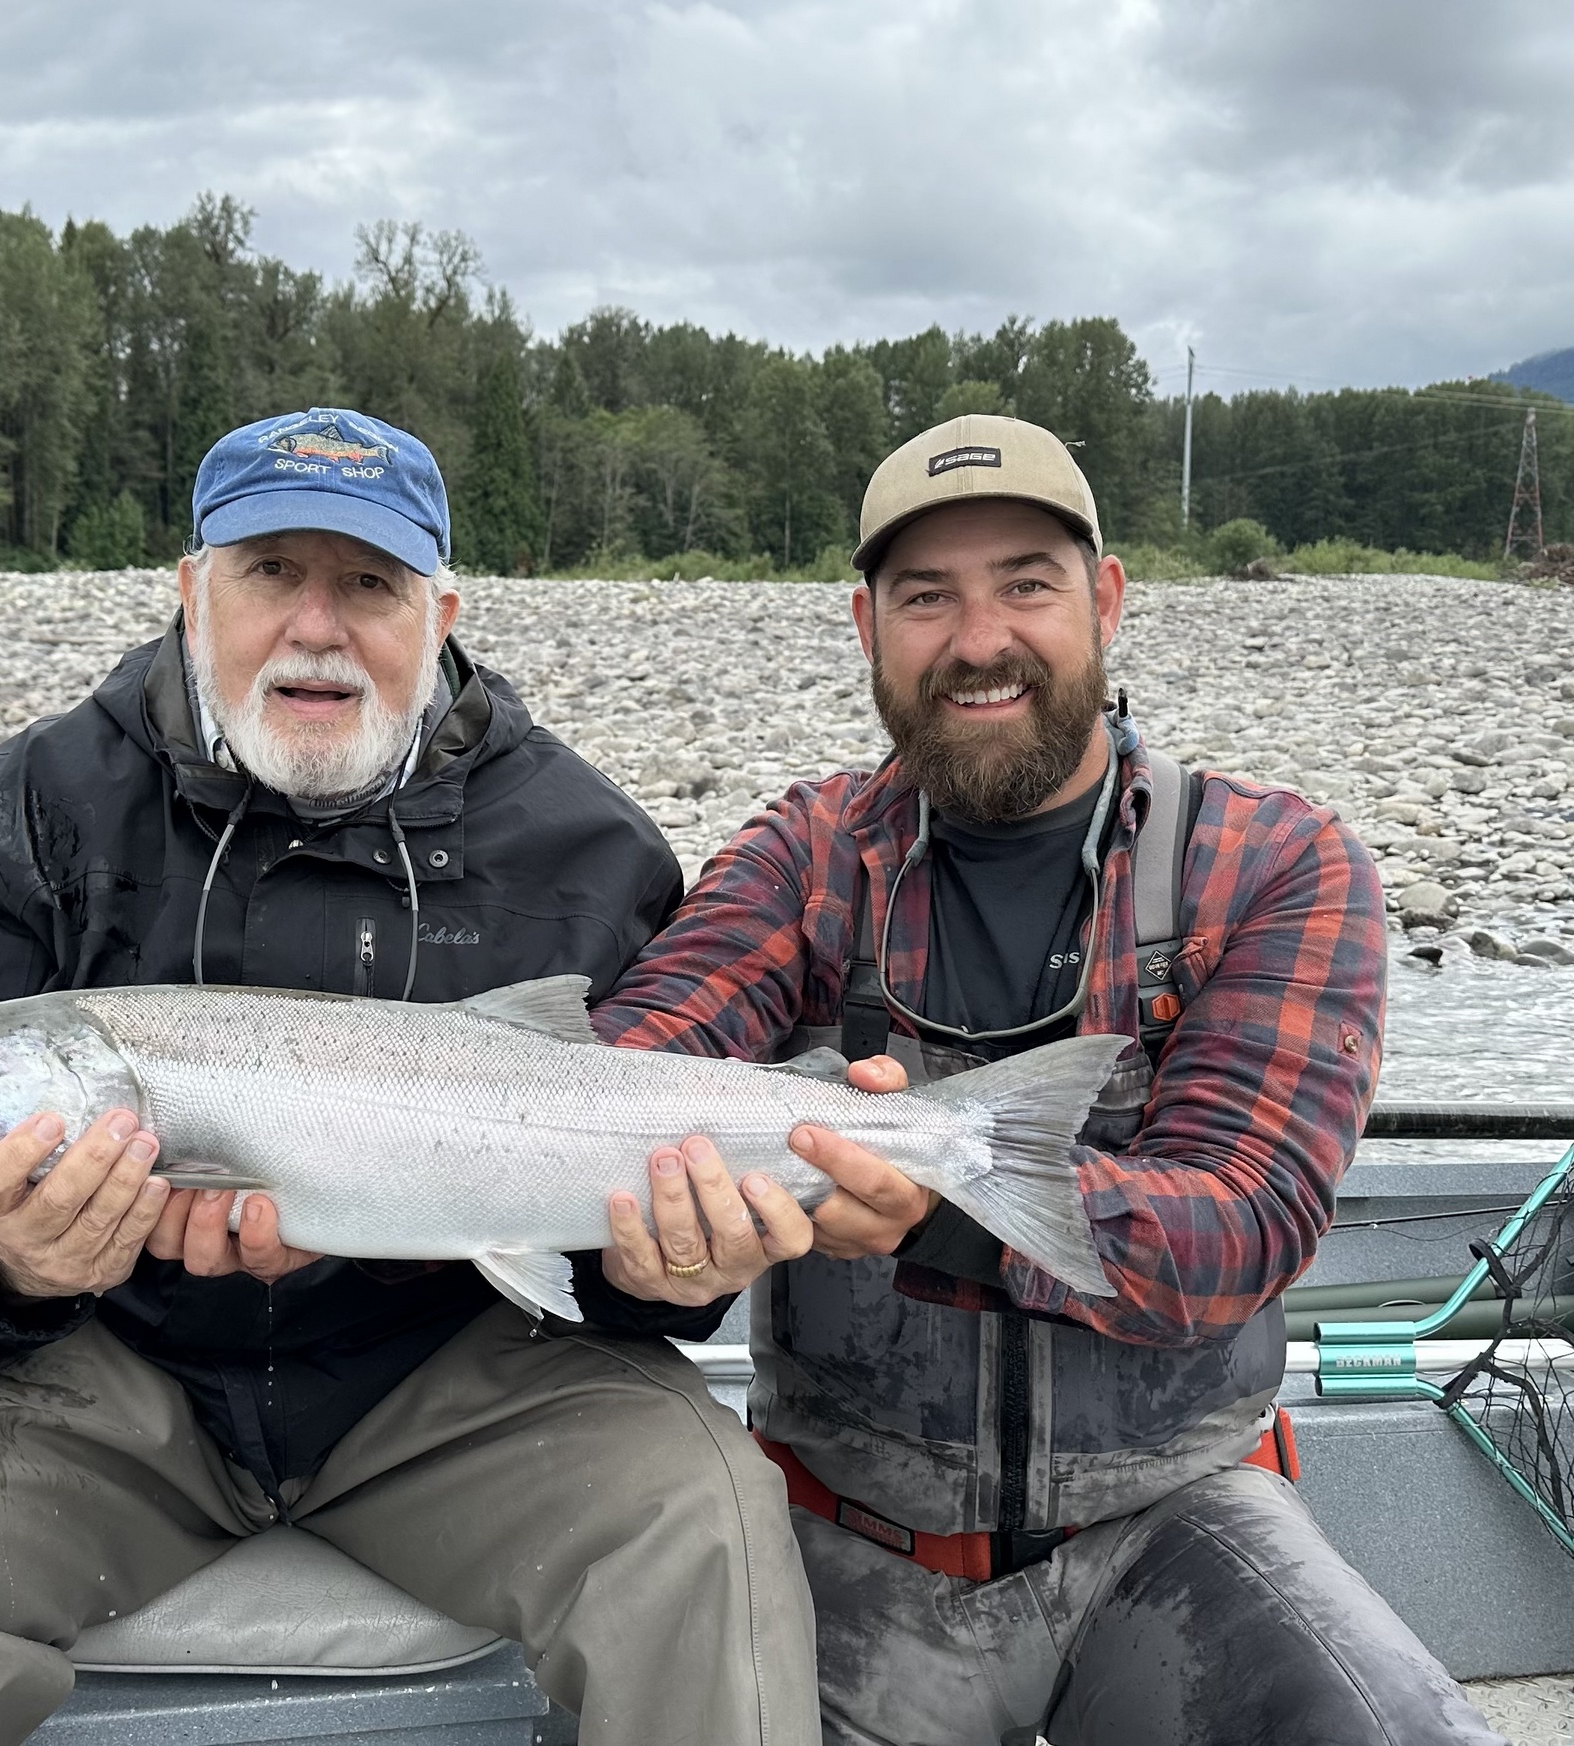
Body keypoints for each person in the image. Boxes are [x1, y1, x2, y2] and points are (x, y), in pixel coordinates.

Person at [0, 407, 818, 1746]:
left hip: (460, 1370)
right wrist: (14, 1256)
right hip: (102, 1369)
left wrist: (676, 1268)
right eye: (269, 574)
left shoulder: (586, 847)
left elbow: (635, 1232)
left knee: (707, 1524)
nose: (316, 626)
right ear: (192, 589)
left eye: (367, 583)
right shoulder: (40, 804)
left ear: (440, 608)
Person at [594, 414, 1502, 1744]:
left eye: (1026, 581)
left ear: (1108, 598)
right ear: (866, 625)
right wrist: (648, 1250)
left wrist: (935, 1206)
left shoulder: (1276, 865)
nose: (978, 640)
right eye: (926, 597)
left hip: (1180, 1523)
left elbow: (1240, 1222)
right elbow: (637, 1065)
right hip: (839, 1539)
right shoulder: (804, 854)